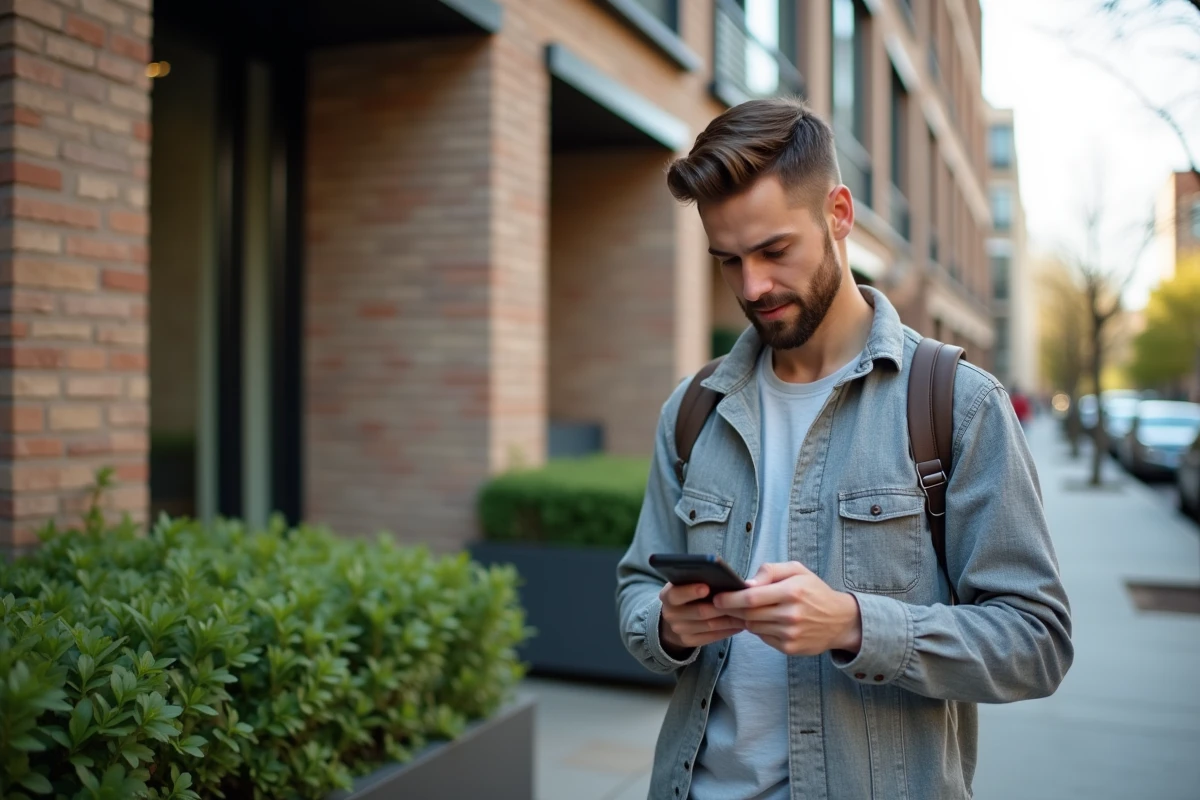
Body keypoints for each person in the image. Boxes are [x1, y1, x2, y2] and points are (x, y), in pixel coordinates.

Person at [615, 98, 1073, 800]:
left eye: (774, 251)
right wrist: (668, 626)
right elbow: (635, 592)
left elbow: (1036, 642)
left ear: (838, 213)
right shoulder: (693, 409)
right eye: (728, 260)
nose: (752, 286)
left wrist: (856, 625)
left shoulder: (958, 404)